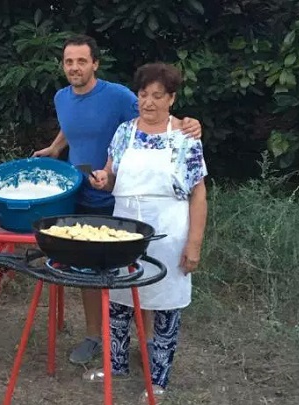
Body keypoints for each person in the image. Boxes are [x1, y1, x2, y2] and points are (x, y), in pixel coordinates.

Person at [33, 34, 204, 365]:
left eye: (82, 61)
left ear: (95, 63)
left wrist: (187, 123)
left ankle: (149, 339)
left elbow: (153, 116)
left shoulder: (118, 96)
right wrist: (57, 146)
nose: (75, 67)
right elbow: (71, 126)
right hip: (83, 192)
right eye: (69, 61)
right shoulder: (61, 98)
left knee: (137, 269)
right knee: (86, 269)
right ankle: (95, 336)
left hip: (120, 198)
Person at [84, 63, 207, 400]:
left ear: (171, 99)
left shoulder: (185, 136)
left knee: (166, 305)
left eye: (157, 96)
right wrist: (103, 179)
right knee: (119, 300)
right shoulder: (124, 132)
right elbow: (111, 177)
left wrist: (194, 243)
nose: (148, 102)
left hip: (169, 228)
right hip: (124, 227)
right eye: (143, 94)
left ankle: (158, 378)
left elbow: (198, 194)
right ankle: (116, 364)